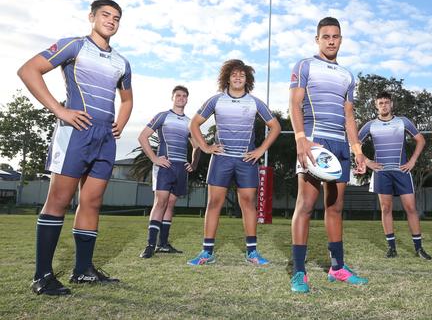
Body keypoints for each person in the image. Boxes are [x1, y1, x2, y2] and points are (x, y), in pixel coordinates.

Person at [18, 0, 133, 295]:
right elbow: (29, 70)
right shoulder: (74, 46)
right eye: (105, 15)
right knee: (58, 199)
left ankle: (82, 271)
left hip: (105, 139)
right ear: (92, 17)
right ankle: (42, 276)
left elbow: (127, 99)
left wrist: (120, 121)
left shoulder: (122, 61)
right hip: (76, 132)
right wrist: (59, 109)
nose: (111, 20)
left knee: (92, 202)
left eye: (116, 17)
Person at [289, 17, 368, 293]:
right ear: (317, 39)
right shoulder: (304, 65)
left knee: (335, 207)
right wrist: (301, 140)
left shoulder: (348, 75)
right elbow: (294, 104)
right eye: (326, 36)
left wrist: (357, 149)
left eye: (335, 36)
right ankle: (299, 272)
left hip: (340, 146)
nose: (331, 41)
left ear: (341, 39)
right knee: (306, 205)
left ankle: (337, 268)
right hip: (314, 142)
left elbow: (349, 114)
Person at [187, 59, 280, 266]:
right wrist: (205, 147)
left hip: (246, 160)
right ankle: (207, 252)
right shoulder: (216, 100)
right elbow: (194, 124)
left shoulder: (255, 102)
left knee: (248, 203)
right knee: (214, 203)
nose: (238, 78)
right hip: (221, 159)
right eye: (234, 74)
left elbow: (275, 127)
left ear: (247, 79)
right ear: (227, 78)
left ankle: (252, 253)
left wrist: (261, 150)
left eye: (242, 75)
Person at [358, 91, 431, 260]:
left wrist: (412, 161)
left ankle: (419, 248)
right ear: (376, 105)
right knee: (386, 208)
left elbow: (421, 140)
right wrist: (367, 162)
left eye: (386, 102)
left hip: (402, 171)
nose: (384, 105)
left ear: (392, 104)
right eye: (380, 102)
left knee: (411, 208)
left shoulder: (403, 122)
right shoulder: (370, 125)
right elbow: (354, 144)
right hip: (381, 172)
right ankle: (391, 248)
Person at [138, 85, 200, 259]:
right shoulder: (163, 116)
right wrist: (154, 159)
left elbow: (197, 146)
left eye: (184, 96)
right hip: (165, 166)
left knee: (171, 204)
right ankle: (150, 245)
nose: (181, 98)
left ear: (187, 99)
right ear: (172, 98)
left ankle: (163, 244)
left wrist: (193, 164)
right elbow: (143, 137)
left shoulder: (190, 122)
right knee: (161, 202)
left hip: (181, 168)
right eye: (178, 95)